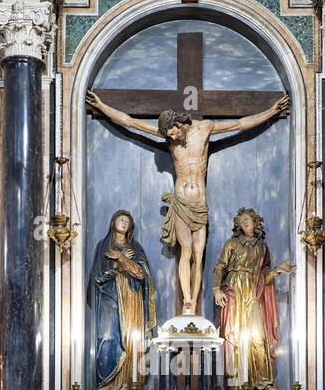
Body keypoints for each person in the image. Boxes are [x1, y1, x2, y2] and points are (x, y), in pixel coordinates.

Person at [86, 89, 289, 316]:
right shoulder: (168, 138)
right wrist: (103, 107)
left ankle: (194, 299)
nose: (172, 138)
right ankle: (188, 301)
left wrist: (271, 112)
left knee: (199, 254)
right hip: (181, 202)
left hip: (200, 204)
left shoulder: (204, 129)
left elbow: (240, 124)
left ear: (179, 122)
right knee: (186, 250)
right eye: (168, 136)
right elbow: (131, 122)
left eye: (173, 132)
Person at [212, 208, 293, 390]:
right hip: (234, 294)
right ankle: (238, 384)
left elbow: (264, 274)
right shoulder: (231, 244)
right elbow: (220, 267)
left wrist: (278, 270)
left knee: (258, 337)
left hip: (253, 294)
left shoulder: (262, 247)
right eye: (241, 222)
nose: (244, 223)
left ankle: (263, 382)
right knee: (235, 338)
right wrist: (216, 289)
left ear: (256, 222)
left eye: (247, 219)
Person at [88, 210, 156, 390]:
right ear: (113, 222)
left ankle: (131, 385)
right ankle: (107, 385)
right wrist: (118, 264)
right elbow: (98, 276)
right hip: (110, 297)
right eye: (121, 219)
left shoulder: (136, 248)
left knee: (135, 341)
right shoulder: (103, 246)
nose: (124, 223)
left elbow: (143, 275)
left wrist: (123, 259)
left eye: (127, 221)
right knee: (107, 337)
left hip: (132, 299)